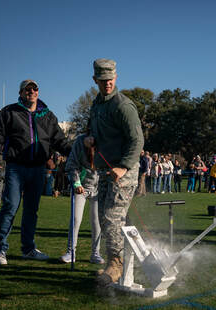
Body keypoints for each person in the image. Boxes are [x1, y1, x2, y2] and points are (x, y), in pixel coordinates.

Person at [0, 79, 71, 265]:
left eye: (34, 88)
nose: (31, 91)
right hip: (16, 167)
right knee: (10, 207)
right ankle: (0, 249)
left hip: (38, 168)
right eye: (27, 89)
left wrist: (77, 153)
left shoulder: (47, 115)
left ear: (38, 92)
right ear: (21, 92)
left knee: (32, 210)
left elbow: (59, 141)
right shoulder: (9, 112)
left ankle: (28, 249)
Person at [86, 58, 144, 285]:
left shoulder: (123, 105)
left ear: (116, 78)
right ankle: (120, 260)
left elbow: (137, 140)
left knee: (112, 218)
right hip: (104, 171)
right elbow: (96, 130)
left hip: (123, 171)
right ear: (95, 80)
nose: (107, 83)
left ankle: (115, 265)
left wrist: (123, 166)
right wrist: (91, 138)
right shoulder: (97, 105)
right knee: (105, 217)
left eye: (110, 79)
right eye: (102, 80)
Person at [59, 134, 104, 264]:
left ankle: (96, 253)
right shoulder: (79, 142)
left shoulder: (104, 141)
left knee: (96, 221)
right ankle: (70, 252)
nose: (90, 140)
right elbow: (71, 164)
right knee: (76, 219)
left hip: (97, 188)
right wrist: (76, 183)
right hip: (81, 187)